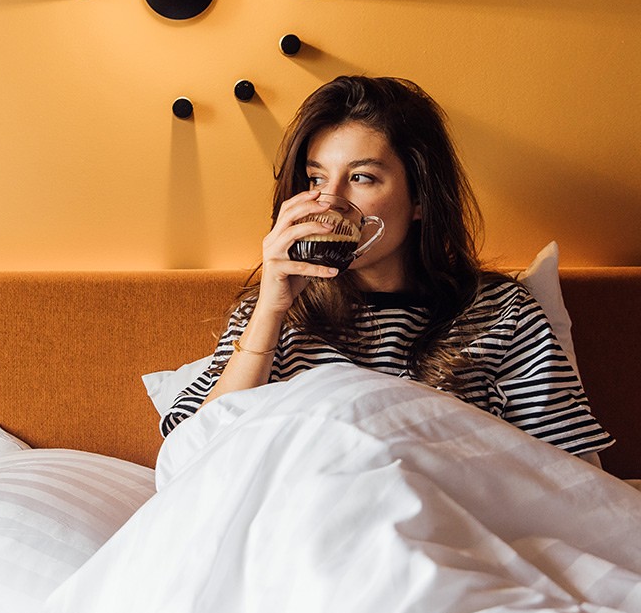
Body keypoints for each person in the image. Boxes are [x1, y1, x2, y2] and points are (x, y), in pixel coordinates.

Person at [161, 75, 612, 465]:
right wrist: (269, 312)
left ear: (419, 199)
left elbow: (569, 475)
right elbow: (196, 454)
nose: (329, 201)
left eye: (362, 178)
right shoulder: (273, 315)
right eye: (316, 179)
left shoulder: (501, 313)